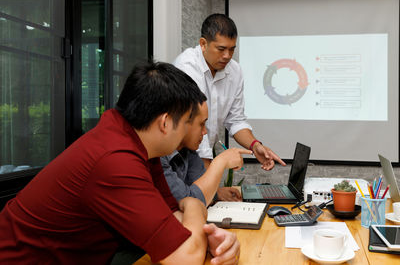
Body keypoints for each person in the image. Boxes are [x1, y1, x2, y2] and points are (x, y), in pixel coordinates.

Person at [0, 61, 241, 265]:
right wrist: (195, 206)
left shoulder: (139, 144)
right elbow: (184, 258)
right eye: (191, 122)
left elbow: (172, 218)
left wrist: (209, 237)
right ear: (165, 123)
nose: (197, 131)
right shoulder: (115, 160)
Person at [173, 13, 286, 171]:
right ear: (203, 44)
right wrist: (209, 183)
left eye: (232, 49)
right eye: (221, 49)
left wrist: (255, 146)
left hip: (204, 156)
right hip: (179, 157)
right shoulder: (187, 67)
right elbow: (194, 121)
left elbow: (236, 120)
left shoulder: (235, 70)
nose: (227, 56)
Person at [161, 100, 247, 206]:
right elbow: (191, 202)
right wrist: (220, 162)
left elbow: (202, 190)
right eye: (201, 124)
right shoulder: (157, 158)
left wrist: (216, 193)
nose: (205, 131)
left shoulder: (188, 150)